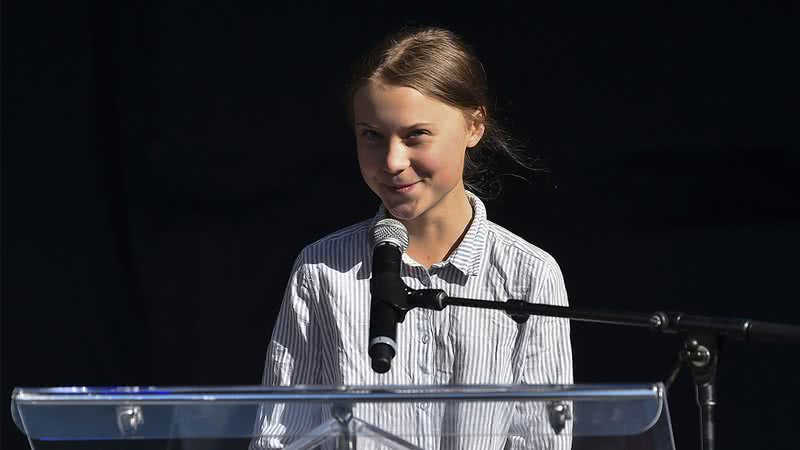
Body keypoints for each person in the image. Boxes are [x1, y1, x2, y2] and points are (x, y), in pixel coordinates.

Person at [250, 26, 573, 450]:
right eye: (371, 135)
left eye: (416, 135)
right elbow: (279, 438)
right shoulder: (321, 271)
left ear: (474, 126)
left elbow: (542, 442)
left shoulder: (529, 275)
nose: (392, 161)